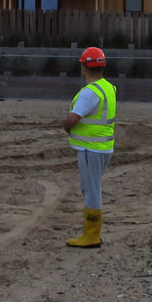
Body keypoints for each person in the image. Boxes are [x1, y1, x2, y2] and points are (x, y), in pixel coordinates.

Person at [62, 46, 116, 248]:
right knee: (92, 188)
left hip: (90, 148)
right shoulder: (108, 88)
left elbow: (72, 119)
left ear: (84, 67)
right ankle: (92, 234)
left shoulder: (89, 93)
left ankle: (91, 235)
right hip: (103, 147)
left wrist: (67, 128)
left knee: (91, 190)